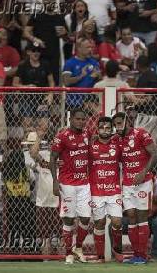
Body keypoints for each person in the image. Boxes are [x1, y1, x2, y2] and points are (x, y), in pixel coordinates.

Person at [112, 111, 157, 264]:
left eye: (119, 123)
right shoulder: (117, 140)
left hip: (144, 182)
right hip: (127, 184)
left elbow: (155, 155)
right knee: (131, 215)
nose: (117, 127)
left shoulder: (141, 133)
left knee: (141, 217)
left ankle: (142, 255)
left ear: (127, 121)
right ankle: (136, 255)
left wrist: (143, 172)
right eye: (115, 124)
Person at [50, 108, 91, 264]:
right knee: (69, 219)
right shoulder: (62, 137)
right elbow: (53, 158)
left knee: (86, 218)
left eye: (83, 119)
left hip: (84, 183)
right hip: (67, 184)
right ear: (71, 119)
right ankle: (68, 253)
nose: (81, 122)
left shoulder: (88, 134)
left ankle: (78, 248)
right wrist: (55, 181)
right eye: (78, 119)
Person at [89, 117, 123, 262]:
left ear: (112, 129)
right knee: (100, 222)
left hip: (113, 190)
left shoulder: (117, 145)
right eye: (102, 127)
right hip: (96, 191)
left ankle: (116, 250)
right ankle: (100, 256)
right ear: (97, 129)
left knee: (117, 222)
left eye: (108, 128)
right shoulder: (90, 146)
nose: (105, 130)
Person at [23, 0, 68, 86]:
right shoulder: (36, 16)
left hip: (54, 56)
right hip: (38, 55)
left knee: (54, 85)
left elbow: (67, 39)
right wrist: (35, 39)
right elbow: (25, 33)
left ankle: (53, 101)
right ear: (43, 1)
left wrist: (65, 34)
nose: (50, 1)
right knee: (39, 84)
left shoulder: (59, 17)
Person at [12, 42, 55, 134]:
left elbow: (51, 82)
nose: (36, 53)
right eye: (34, 51)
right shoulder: (23, 65)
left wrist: (50, 94)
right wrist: (27, 87)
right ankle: (27, 146)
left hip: (42, 98)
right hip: (26, 98)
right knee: (27, 125)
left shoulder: (45, 64)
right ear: (28, 52)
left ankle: (41, 144)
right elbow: (15, 84)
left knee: (44, 125)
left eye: (38, 51)